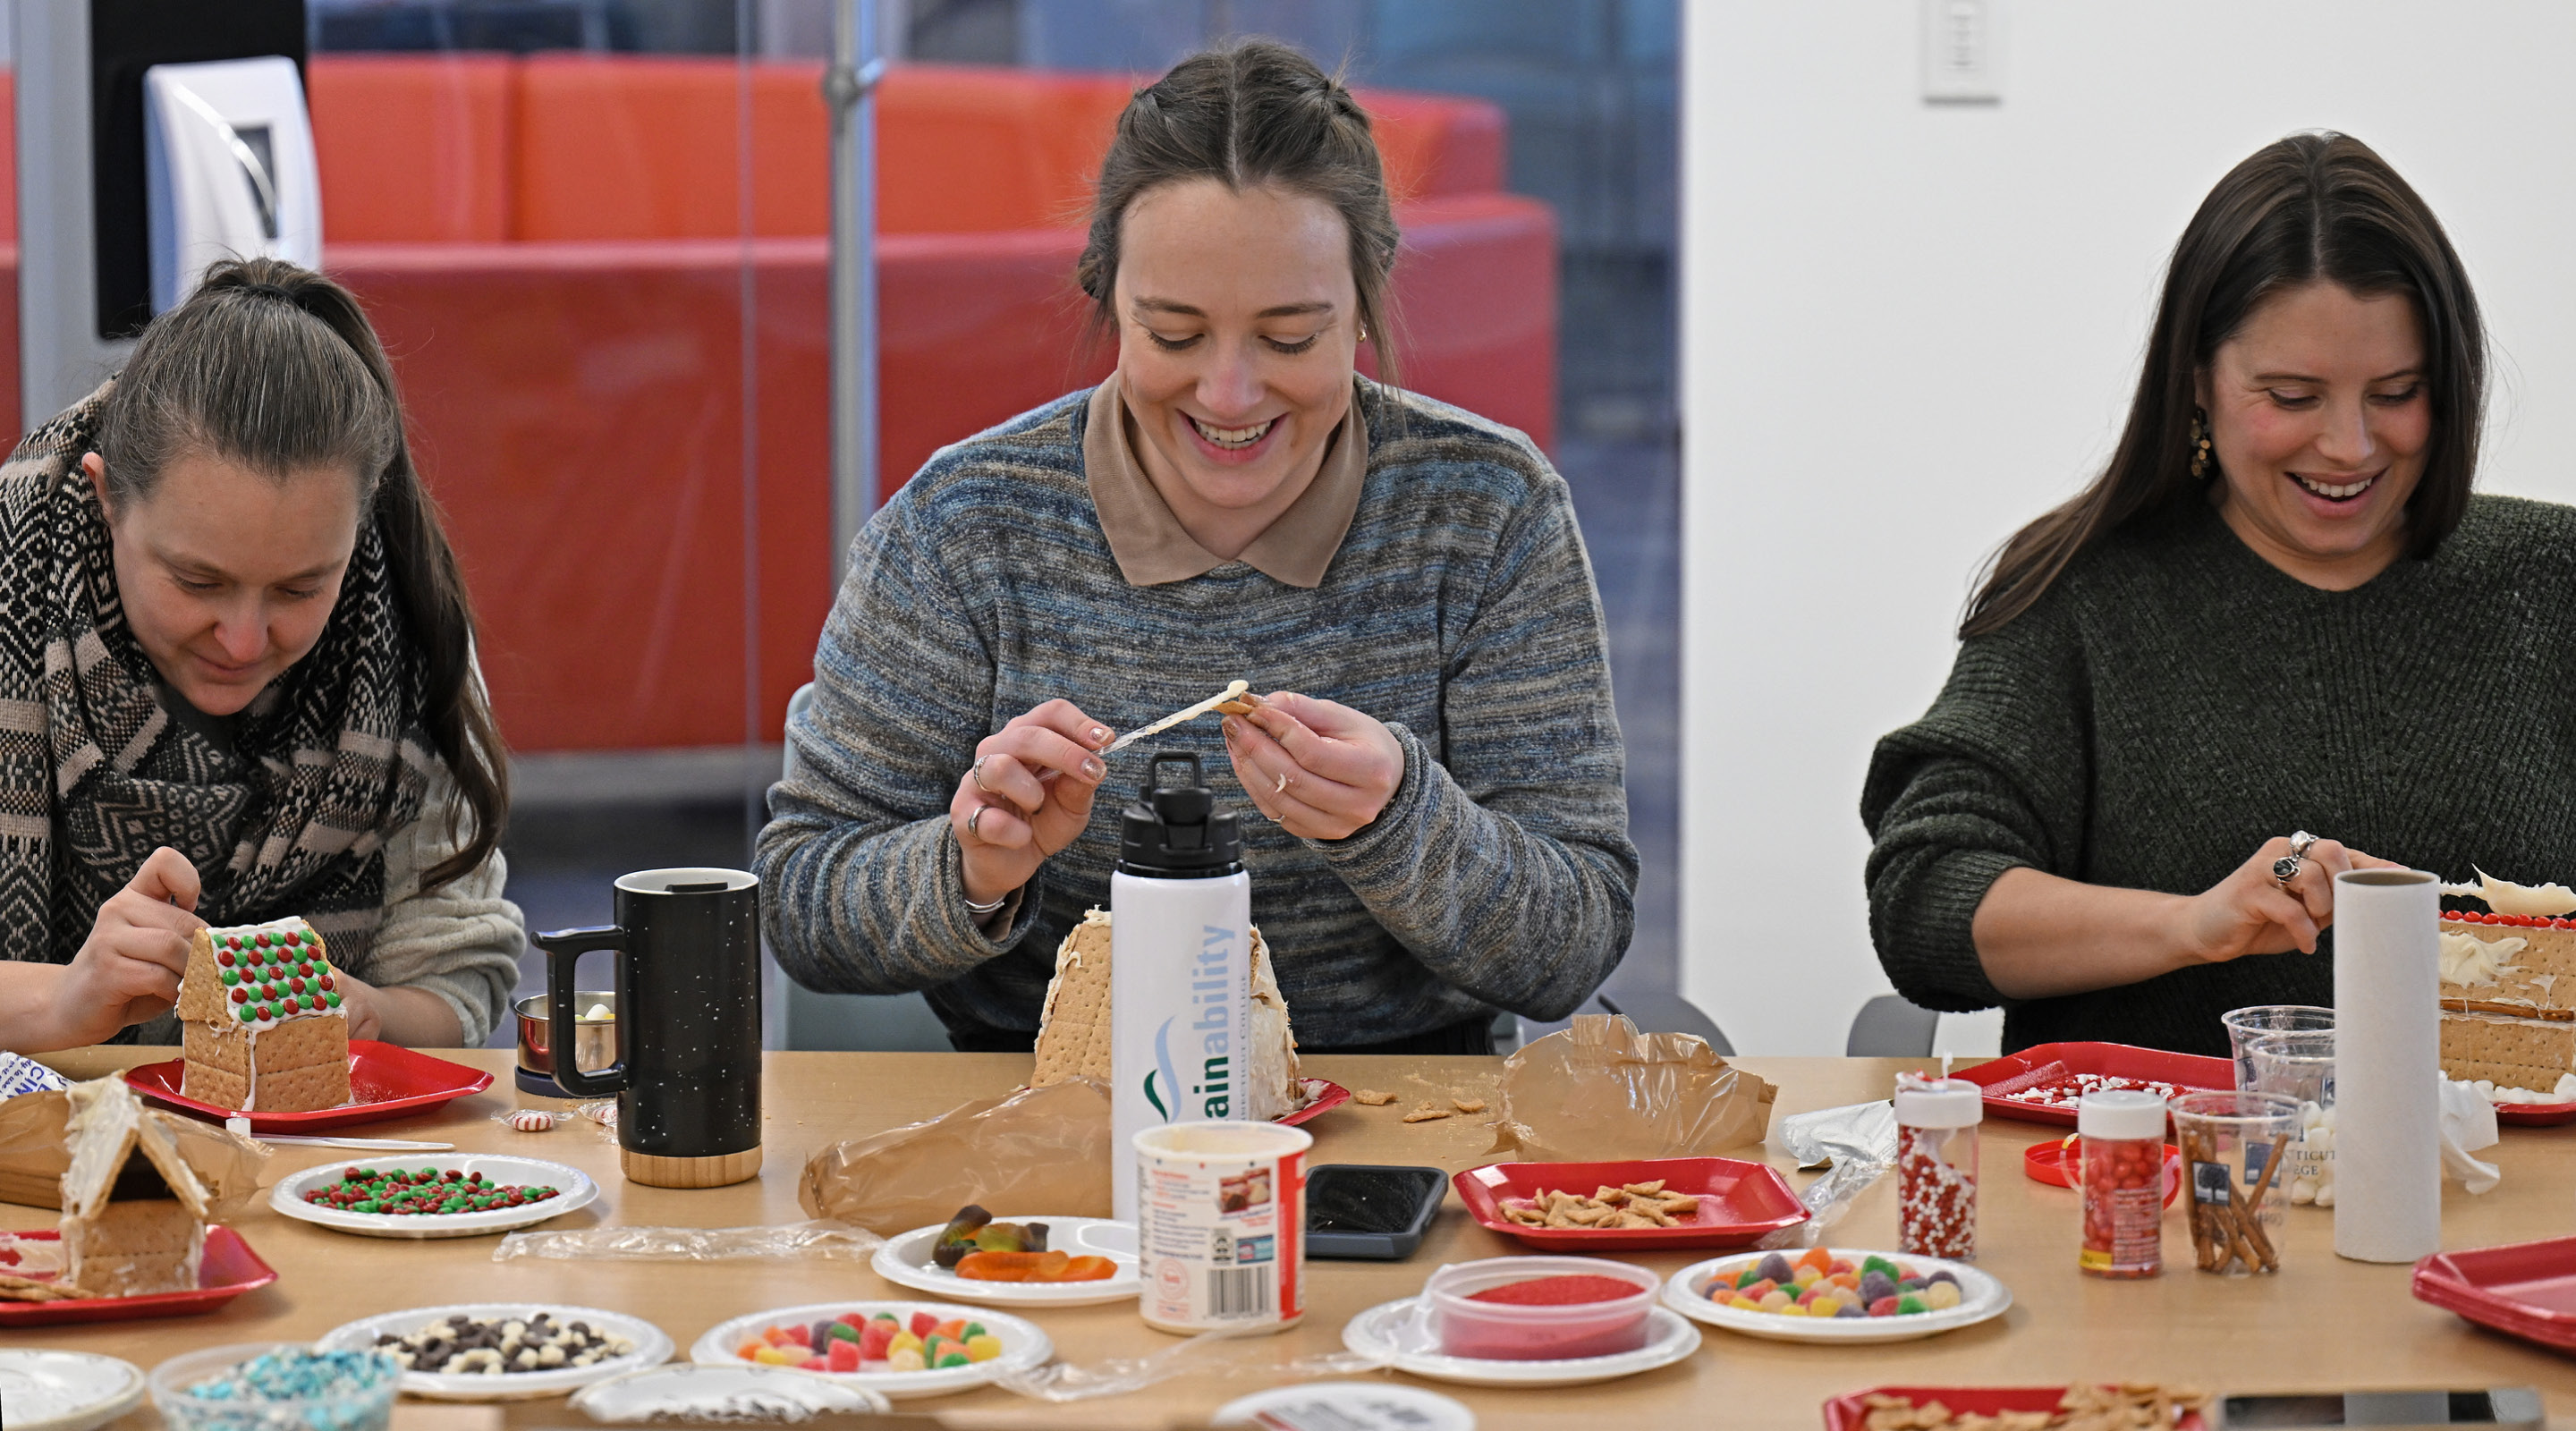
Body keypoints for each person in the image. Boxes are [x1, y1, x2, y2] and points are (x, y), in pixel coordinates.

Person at [760, 38, 1636, 1053]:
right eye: (1174, 335)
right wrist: (969, 865)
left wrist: (1401, 819)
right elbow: (801, 902)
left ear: (1363, 302)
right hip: (1049, 1132)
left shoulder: (1488, 511)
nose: (1229, 394)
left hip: (1409, 1125)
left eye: (1290, 338)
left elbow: (1575, 945)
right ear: (1108, 297)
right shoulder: (967, 522)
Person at [1863, 132, 2576, 1056]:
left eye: (2398, 391)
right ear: (2197, 380)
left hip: (2525, 1195)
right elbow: (1924, 901)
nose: (2352, 446)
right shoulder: (2084, 596)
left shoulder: (2549, 583)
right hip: (2145, 1188)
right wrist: (2192, 924)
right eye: (2290, 396)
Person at [0, 258, 525, 1054]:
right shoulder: (15, 577)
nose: (244, 641)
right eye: (196, 581)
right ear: (106, 498)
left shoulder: (406, 617)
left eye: (300, 589)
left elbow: (457, 976)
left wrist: (368, 1016)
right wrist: (65, 1002)